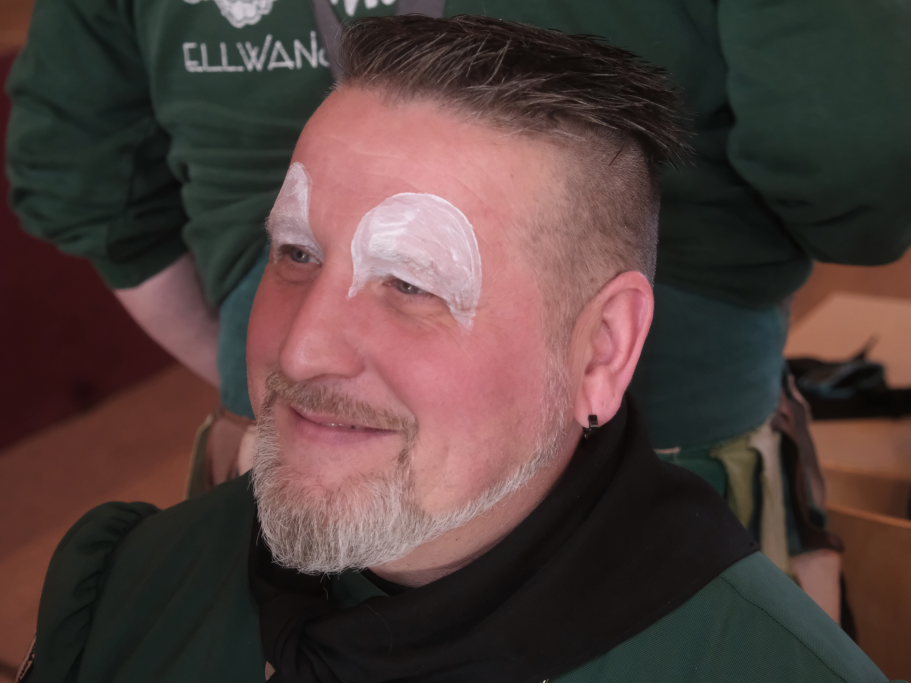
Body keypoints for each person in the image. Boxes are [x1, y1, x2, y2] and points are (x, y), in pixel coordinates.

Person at [21, 17, 901, 683]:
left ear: (602, 350)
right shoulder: (131, 589)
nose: (303, 347)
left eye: (411, 282)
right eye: (295, 252)